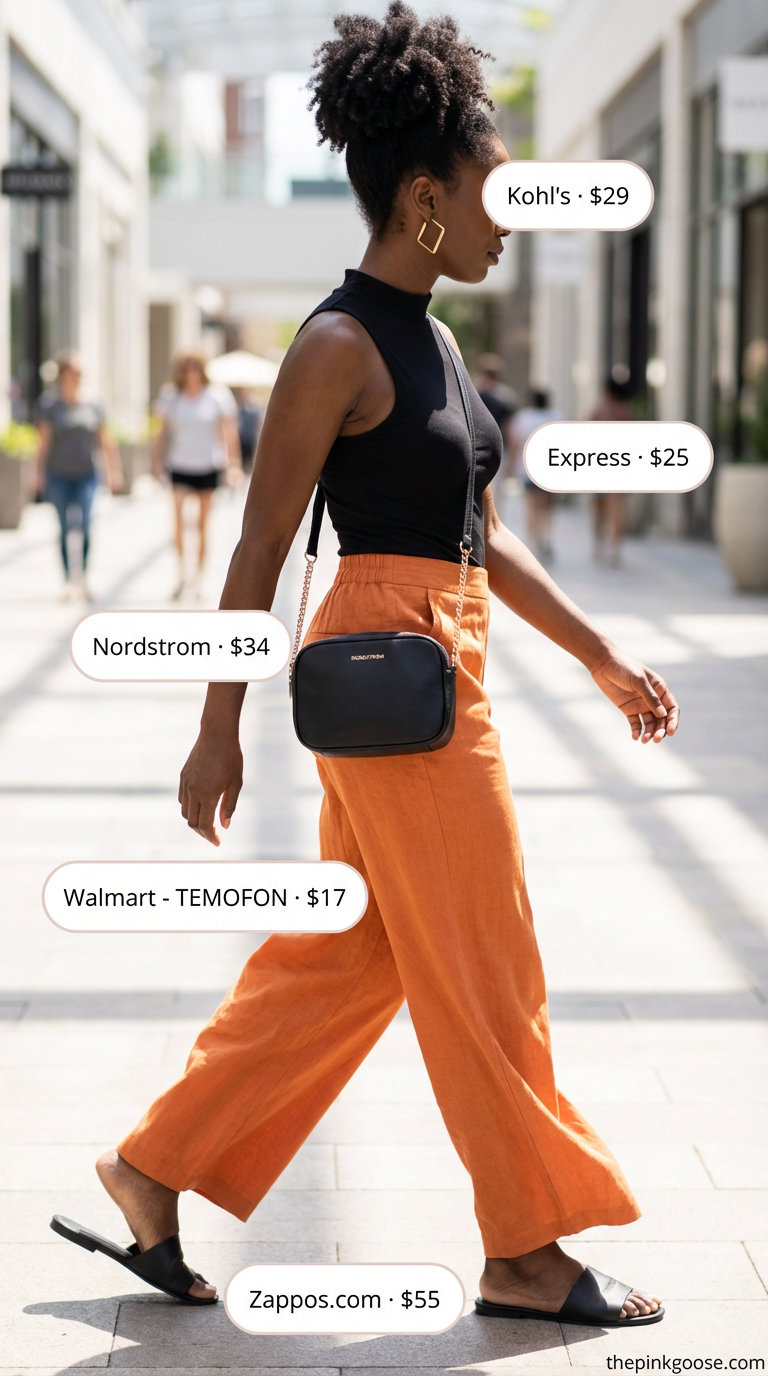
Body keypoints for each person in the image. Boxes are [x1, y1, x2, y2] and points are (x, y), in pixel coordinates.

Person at [52, 3, 677, 1329]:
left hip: (436, 652)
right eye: (493, 192)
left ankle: (153, 1165)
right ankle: (525, 1249)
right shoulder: (336, 344)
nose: (509, 221)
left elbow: (484, 535)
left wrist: (604, 654)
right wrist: (216, 726)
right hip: (399, 664)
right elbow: (261, 540)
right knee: (489, 957)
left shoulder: (436, 342)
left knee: (351, 957)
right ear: (425, 198)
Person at [151, 352, 242, 600]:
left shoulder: (217, 396)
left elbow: (228, 432)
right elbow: (161, 433)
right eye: (186, 367)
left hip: (208, 466)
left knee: (203, 525)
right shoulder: (171, 397)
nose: (191, 372)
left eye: (195, 367)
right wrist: (156, 463)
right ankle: (181, 575)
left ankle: (199, 580)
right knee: (179, 523)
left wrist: (233, 465)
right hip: (179, 465)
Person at [34, 350, 123, 599]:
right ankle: (67, 580)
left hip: (87, 475)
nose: (77, 376)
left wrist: (114, 470)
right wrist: (37, 473)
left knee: (85, 524)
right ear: (62, 374)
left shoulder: (94, 404)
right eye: (73, 372)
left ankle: (82, 577)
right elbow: (43, 443)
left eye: (80, 372)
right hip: (58, 474)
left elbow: (105, 440)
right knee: (63, 527)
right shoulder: (49, 405)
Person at [509, 387, 561, 563]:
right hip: (551, 469)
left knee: (531, 507)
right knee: (547, 508)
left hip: (528, 468)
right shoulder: (555, 417)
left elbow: (515, 443)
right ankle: (545, 538)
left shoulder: (523, 417)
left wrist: (512, 466)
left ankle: (532, 543)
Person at [588, 376, 633, 566]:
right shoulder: (625, 411)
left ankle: (599, 544)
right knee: (615, 509)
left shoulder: (600, 410)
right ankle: (613, 547)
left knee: (599, 509)